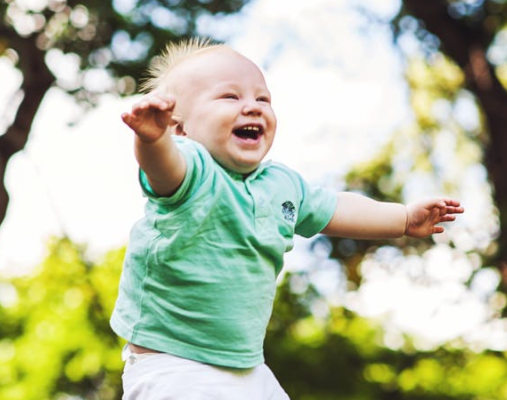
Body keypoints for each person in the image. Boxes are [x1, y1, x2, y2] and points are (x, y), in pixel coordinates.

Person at [110, 38, 464, 400]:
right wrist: (151, 142)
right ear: (180, 128)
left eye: (262, 99)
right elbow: (163, 168)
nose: (252, 107)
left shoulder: (280, 184)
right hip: (176, 364)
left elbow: (337, 209)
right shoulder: (192, 171)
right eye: (230, 97)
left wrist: (403, 218)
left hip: (247, 365)